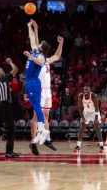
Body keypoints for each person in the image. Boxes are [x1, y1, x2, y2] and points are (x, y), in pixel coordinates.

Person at [28, 19, 63, 155]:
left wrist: (61, 43)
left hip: (48, 90)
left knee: (46, 115)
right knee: (36, 117)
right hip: (39, 89)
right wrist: (35, 30)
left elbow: (57, 55)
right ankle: (33, 142)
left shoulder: (46, 60)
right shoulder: (38, 58)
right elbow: (34, 42)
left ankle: (47, 139)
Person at [23, 19, 51, 152]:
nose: (37, 43)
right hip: (29, 82)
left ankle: (42, 130)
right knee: (35, 106)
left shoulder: (41, 56)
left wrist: (29, 56)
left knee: (36, 106)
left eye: (40, 44)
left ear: (42, 47)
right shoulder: (35, 49)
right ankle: (41, 130)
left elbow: (40, 62)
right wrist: (31, 27)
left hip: (34, 81)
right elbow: (32, 38)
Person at [0, 58, 19, 158]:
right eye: (1, 71)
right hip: (4, 105)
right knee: (11, 128)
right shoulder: (4, 78)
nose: (3, 72)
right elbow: (15, 70)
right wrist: (10, 62)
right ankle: (9, 151)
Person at [73, 86, 104, 153]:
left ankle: (101, 146)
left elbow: (96, 108)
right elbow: (80, 108)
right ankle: (78, 146)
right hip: (86, 112)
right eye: (84, 89)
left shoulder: (94, 96)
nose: (86, 90)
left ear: (90, 90)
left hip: (94, 112)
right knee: (81, 129)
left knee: (97, 128)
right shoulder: (80, 96)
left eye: (87, 89)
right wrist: (83, 118)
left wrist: (96, 118)